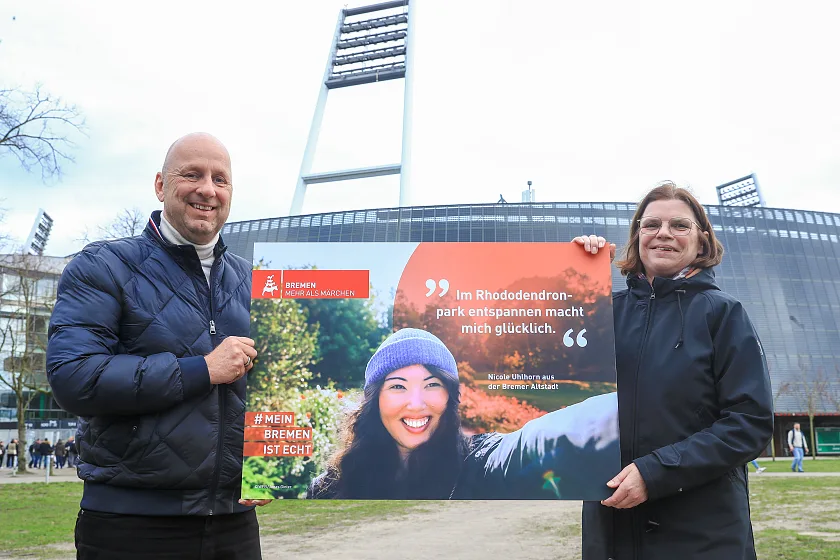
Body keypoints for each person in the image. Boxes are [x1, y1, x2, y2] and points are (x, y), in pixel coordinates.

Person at [47, 133, 267, 560]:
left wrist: (271, 470)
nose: (208, 188)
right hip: (130, 522)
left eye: (220, 179)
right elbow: (74, 377)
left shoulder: (258, 282)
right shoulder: (103, 266)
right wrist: (202, 369)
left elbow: (275, 391)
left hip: (234, 522)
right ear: (161, 186)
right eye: (192, 174)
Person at [573, 182, 774, 560]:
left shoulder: (723, 314)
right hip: (611, 531)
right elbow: (550, 382)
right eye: (651, 225)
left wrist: (655, 473)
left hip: (701, 534)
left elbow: (750, 422)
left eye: (679, 225)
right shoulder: (601, 312)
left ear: (701, 240)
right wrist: (575, 280)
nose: (663, 233)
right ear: (637, 238)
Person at [307, 328, 620, 500]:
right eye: (398, 387)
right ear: (375, 400)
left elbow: (541, 444)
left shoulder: (479, 465)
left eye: (432, 384)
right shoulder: (330, 488)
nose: (416, 404)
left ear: (450, 397)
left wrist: (616, 420)